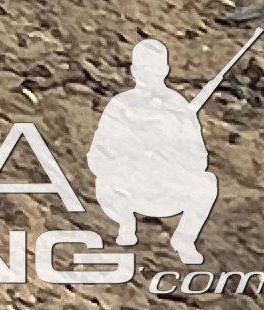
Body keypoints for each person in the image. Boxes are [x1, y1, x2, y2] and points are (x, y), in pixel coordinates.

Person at [90, 38, 221, 265]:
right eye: (144, 70)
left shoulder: (179, 108)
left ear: (165, 71)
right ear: (134, 71)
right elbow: (98, 155)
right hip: (127, 188)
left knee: (207, 183)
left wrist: (171, 150)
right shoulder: (121, 104)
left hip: (164, 188)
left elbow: (199, 159)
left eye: (155, 70)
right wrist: (131, 154)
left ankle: (184, 239)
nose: (150, 76)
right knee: (106, 180)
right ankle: (125, 223)